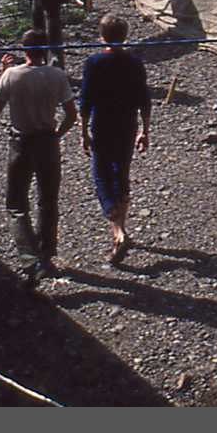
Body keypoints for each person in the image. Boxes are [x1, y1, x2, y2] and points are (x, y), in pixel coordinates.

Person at [0, 38, 77, 285]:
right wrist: (57, 134)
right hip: (47, 140)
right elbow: (71, 114)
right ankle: (47, 253)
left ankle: (30, 260)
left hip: (22, 141)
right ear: (45, 49)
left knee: (17, 202)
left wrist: (3, 73)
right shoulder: (57, 75)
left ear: (24, 50)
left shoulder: (12, 75)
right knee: (48, 199)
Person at [77, 14, 151, 265]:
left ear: (101, 36)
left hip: (103, 124)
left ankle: (118, 230)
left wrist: (83, 131)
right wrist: (145, 129)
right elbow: (144, 99)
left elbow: (85, 101)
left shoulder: (95, 63)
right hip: (127, 124)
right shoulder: (135, 63)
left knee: (101, 175)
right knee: (121, 173)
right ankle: (121, 229)